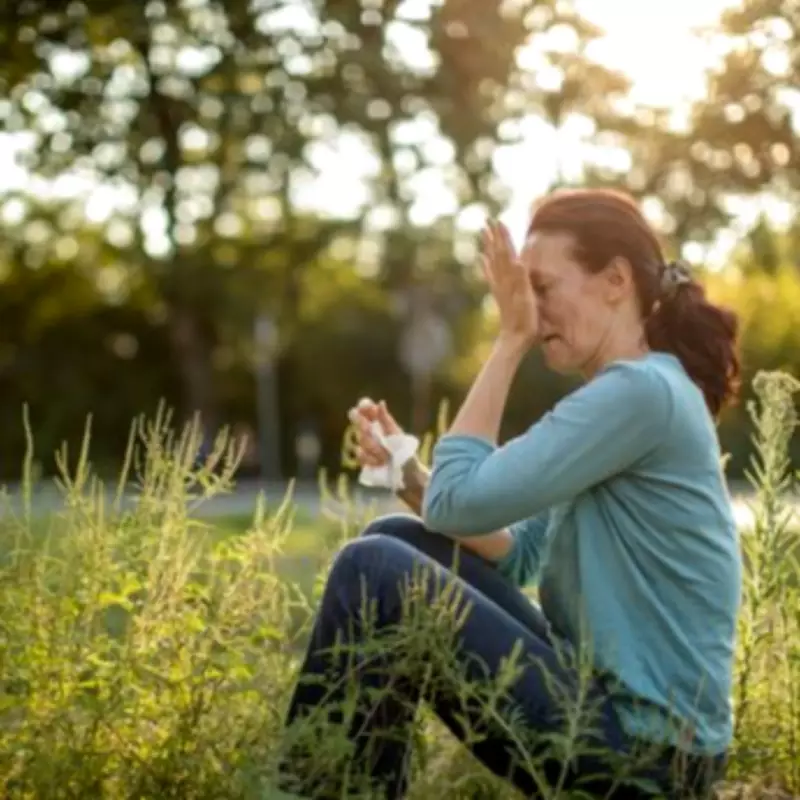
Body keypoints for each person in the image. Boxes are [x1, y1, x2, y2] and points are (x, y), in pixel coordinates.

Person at [277, 188, 742, 799]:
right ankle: (350, 785)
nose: (530, 308)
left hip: (648, 759)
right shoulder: (629, 396)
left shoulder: (639, 394)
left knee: (375, 570)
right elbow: (518, 553)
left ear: (616, 280)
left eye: (542, 288)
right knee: (395, 540)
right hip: (609, 720)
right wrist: (409, 478)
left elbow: (457, 502)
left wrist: (510, 340)